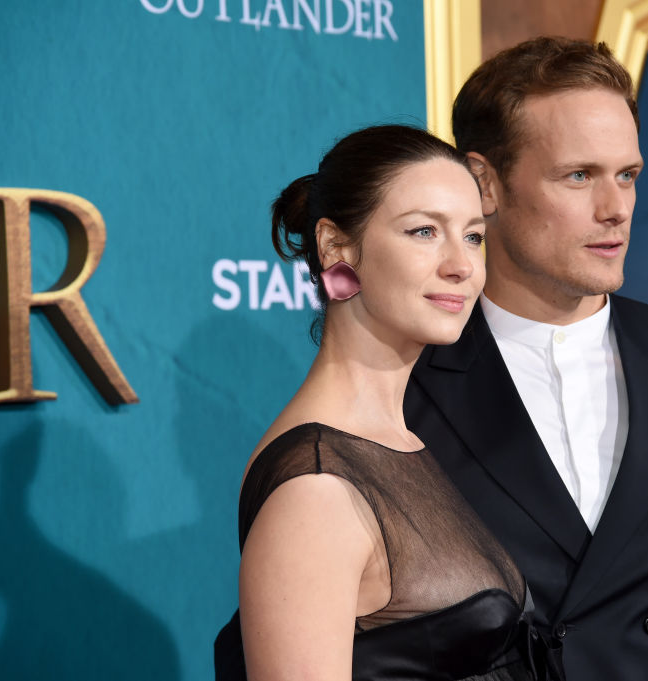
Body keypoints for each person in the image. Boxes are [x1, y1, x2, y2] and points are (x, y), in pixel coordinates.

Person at [404, 37, 648, 680]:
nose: (616, 209)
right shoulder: (404, 388)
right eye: (579, 176)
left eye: (628, 175)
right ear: (485, 185)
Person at [214, 124, 563, 681]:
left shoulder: (402, 440)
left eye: (473, 236)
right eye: (424, 231)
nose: (462, 265)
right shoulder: (318, 489)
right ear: (335, 247)